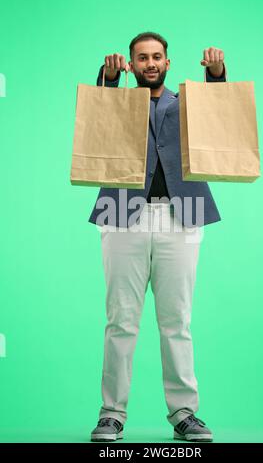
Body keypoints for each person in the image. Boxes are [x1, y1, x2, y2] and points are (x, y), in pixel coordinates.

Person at [90, 32, 226, 443]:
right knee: (121, 320)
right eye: (142, 58)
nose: (150, 63)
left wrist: (217, 75)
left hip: (180, 218)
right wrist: (109, 80)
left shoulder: (185, 105)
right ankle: (111, 413)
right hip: (121, 217)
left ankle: (185, 413)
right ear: (131, 65)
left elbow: (218, 115)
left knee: (177, 321)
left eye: (157, 57)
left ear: (167, 63)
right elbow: (98, 115)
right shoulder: (119, 104)